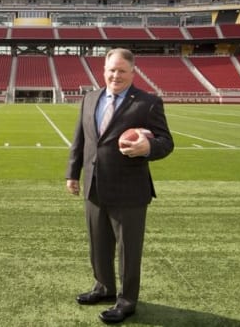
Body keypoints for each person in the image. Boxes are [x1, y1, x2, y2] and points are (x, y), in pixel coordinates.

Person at [65, 48, 174, 324]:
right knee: (98, 245)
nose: (116, 75)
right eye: (111, 70)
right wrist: (72, 174)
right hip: (94, 186)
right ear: (104, 70)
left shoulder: (148, 103)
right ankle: (103, 287)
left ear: (132, 72)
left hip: (129, 190)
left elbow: (166, 142)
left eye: (122, 70)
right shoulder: (90, 98)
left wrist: (148, 146)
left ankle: (126, 301)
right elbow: (80, 140)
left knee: (128, 250)